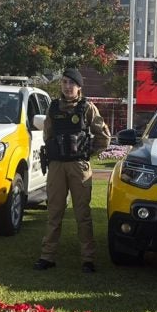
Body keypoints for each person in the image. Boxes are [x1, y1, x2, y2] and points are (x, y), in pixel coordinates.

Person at [34, 69, 110, 273]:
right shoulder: (53, 107)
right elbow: (47, 134)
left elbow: (104, 136)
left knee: (82, 214)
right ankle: (47, 256)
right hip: (57, 165)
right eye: (65, 82)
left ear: (79, 87)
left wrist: (87, 153)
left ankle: (88, 259)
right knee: (54, 212)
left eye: (71, 83)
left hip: (78, 166)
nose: (67, 86)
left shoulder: (87, 108)